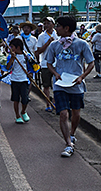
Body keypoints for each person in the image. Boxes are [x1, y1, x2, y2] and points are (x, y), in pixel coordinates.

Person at [46, 16, 94, 157]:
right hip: (60, 85)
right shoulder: (54, 45)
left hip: (76, 85)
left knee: (76, 113)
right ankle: (68, 144)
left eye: (59, 25)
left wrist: (81, 77)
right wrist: (55, 73)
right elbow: (49, 63)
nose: (56, 28)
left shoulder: (82, 44)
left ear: (67, 28)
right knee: (63, 113)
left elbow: (91, 63)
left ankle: (72, 134)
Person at [6, 38, 34, 124]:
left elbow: (32, 67)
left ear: (18, 47)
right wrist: (12, 58)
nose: (11, 49)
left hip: (24, 80)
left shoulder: (27, 56)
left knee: (25, 99)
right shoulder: (11, 57)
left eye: (12, 47)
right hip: (14, 80)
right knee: (16, 99)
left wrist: (30, 75)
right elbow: (7, 68)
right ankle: (17, 116)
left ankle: (23, 111)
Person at [35, 17, 58, 112]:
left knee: (57, 85)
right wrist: (48, 43)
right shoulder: (41, 36)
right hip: (45, 64)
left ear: (53, 24)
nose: (46, 25)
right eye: (45, 23)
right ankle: (48, 104)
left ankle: (55, 102)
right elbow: (38, 51)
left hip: (57, 64)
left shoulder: (58, 34)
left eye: (48, 23)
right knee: (46, 85)